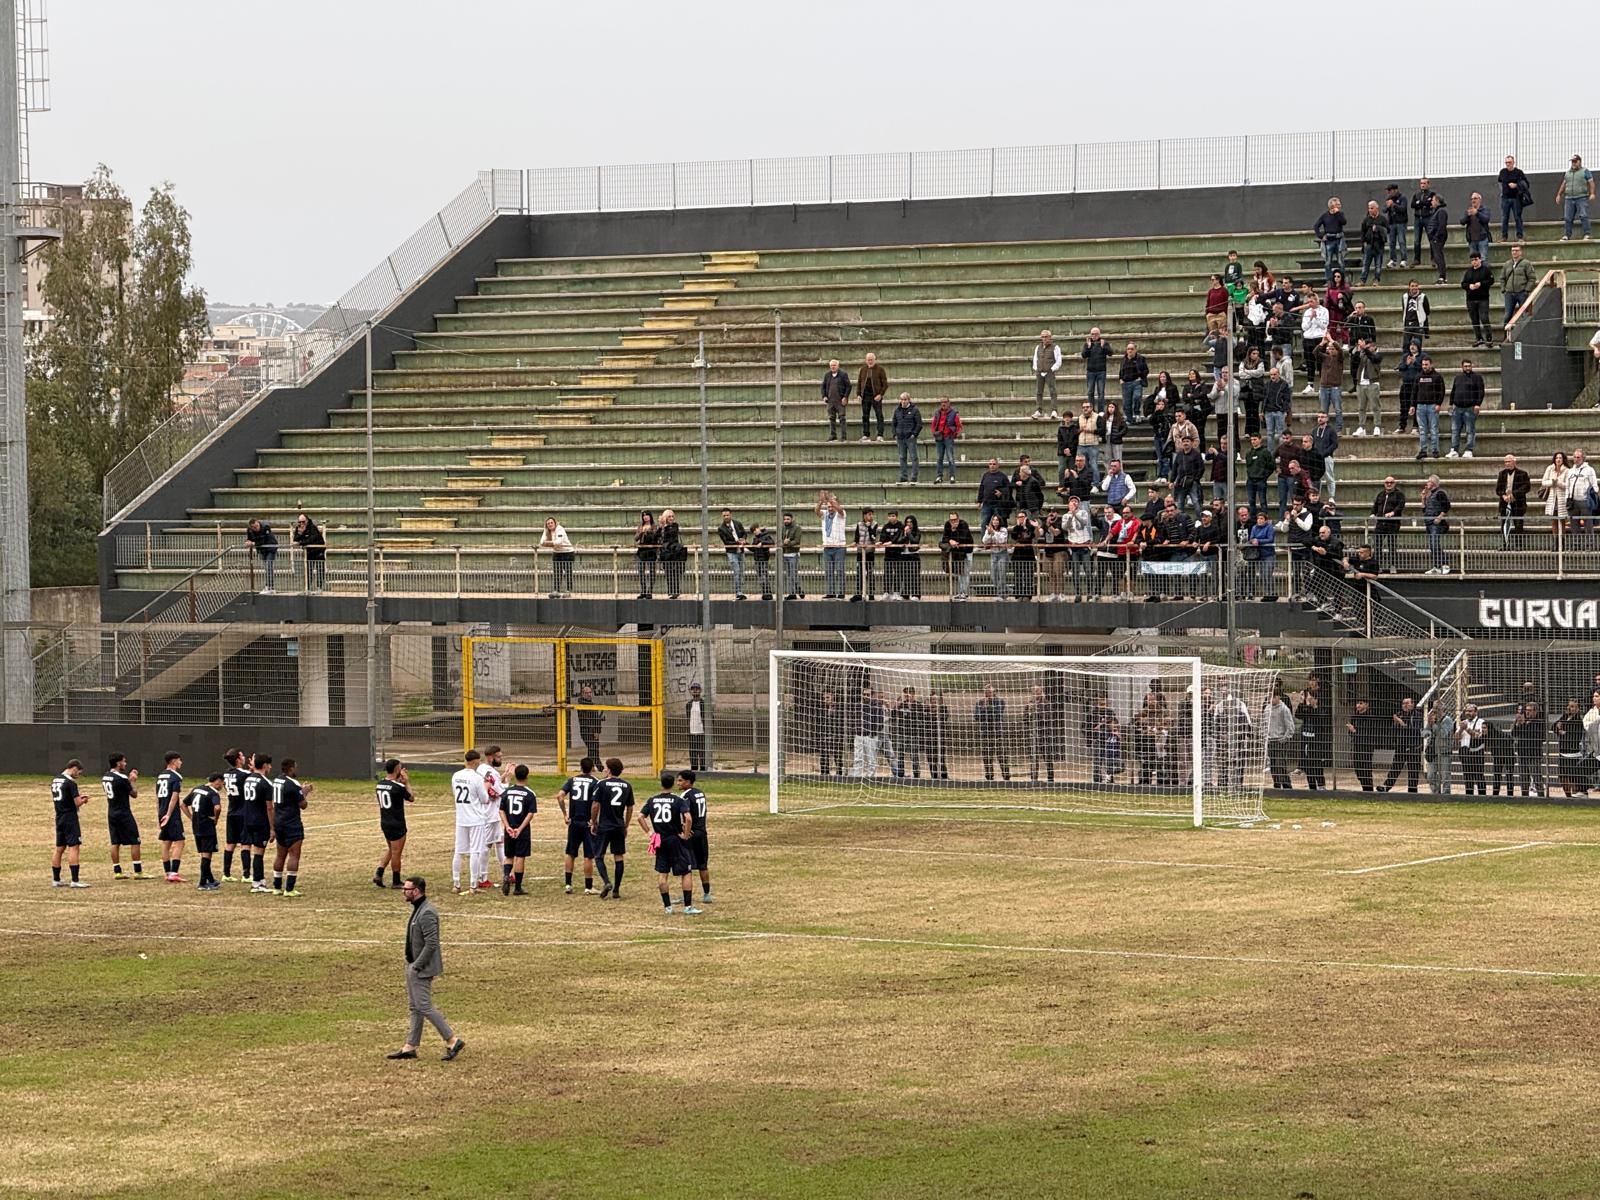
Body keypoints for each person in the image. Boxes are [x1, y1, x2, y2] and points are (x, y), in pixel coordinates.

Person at [388, 876, 466, 1062]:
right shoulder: (419, 909)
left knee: (424, 1006)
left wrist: (417, 965)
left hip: (420, 968)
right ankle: (410, 1046)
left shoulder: (427, 912)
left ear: (416, 891)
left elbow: (431, 944)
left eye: (406, 889)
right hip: (414, 965)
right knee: (415, 1007)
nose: (403, 892)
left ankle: (452, 1040)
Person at [639, 771, 698, 915]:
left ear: (661, 784)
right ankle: (688, 907)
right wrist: (685, 835)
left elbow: (640, 817)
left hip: (660, 840)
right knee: (686, 871)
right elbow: (688, 818)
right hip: (674, 840)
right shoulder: (678, 800)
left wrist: (649, 833)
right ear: (672, 784)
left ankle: (667, 907)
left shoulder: (652, 800)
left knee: (662, 873)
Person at [558, 758, 607, 895]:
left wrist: (565, 814)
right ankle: (588, 886)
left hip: (574, 821)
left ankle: (568, 884)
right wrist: (594, 820)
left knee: (571, 853)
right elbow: (596, 804)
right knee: (588, 856)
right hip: (587, 823)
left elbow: (560, 796)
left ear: (580, 767)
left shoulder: (572, 780)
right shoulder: (595, 782)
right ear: (592, 768)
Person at [588, 757, 633, 899]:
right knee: (618, 856)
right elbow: (630, 807)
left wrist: (593, 822)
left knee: (598, 855)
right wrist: (626, 824)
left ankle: (607, 881)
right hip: (619, 825)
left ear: (610, 770)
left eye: (606, 767)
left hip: (605, 825)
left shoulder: (601, 784)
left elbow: (595, 805)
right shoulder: (627, 785)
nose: (604, 770)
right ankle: (616, 890)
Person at [449, 749, 489, 897]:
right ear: (475, 761)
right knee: (475, 851)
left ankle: (456, 883)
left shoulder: (455, 776)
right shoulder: (477, 778)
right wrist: (486, 788)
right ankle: (473, 884)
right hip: (475, 818)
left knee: (459, 851)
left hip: (461, 817)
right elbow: (484, 799)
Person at [268, 758, 310, 897]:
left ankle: (277, 887)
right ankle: (290, 888)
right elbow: (303, 805)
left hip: (278, 821)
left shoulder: (277, 780)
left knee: (280, 855)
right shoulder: (293, 784)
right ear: (291, 768)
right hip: (291, 822)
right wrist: (305, 791)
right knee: (294, 854)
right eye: (295, 767)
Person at [370, 758, 413, 890]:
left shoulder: (380, 784)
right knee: (396, 853)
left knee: (391, 849)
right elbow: (411, 797)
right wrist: (407, 782)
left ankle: (379, 872)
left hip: (385, 821)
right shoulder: (398, 787)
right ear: (396, 769)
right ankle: (396, 880)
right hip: (397, 822)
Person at [101, 753, 145, 880]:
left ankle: (117, 871)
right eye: (124, 762)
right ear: (118, 763)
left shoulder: (106, 776)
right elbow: (134, 794)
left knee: (115, 842)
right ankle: (138, 871)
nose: (125, 764)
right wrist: (132, 781)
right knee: (135, 841)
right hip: (124, 813)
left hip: (111, 812)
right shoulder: (121, 778)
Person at [49, 759, 90, 888]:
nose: (78, 775)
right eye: (78, 772)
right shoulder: (71, 783)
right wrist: (84, 800)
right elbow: (77, 803)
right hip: (70, 817)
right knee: (74, 846)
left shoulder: (56, 780)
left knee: (59, 848)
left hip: (59, 816)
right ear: (73, 768)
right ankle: (75, 880)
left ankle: (56, 879)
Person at [498, 763, 536, 896]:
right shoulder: (529, 794)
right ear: (526, 776)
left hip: (509, 828)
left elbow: (501, 810)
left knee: (509, 856)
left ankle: (506, 876)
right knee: (520, 857)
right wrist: (519, 829)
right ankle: (518, 887)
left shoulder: (507, 792)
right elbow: (530, 814)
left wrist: (507, 826)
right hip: (522, 830)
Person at [184, 772, 225, 891]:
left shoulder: (197, 789)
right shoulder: (213, 793)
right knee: (207, 855)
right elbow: (217, 808)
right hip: (207, 826)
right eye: (222, 783)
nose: (223, 786)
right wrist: (215, 819)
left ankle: (211, 879)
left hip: (196, 825)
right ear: (217, 781)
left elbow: (183, 804)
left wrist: (191, 817)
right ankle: (202, 883)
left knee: (204, 852)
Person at [677, 769, 712, 904]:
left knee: (687, 866)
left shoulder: (685, 796)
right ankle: (707, 893)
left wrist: (684, 830)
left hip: (691, 833)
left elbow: (686, 816)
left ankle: (685, 895)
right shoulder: (700, 793)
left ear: (688, 782)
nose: (678, 783)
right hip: (702, 832)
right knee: (703, 864)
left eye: (680, 780)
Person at [242, 753, 274, 893]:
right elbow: (269, 807)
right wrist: (273, 827)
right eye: (269, 764)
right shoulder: (266, 783)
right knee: (259, 852)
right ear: (265, 765)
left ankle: (259, 880)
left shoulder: (248, 779)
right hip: (260, 820)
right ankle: (257, 883)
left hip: (248, 819)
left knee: (255, 850)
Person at [154, 751, 186, 883]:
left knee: (166, 842)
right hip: (171, 814)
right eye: (179, 760)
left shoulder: (160, 776)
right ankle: (174, 872)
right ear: (173, 761)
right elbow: (174, 797)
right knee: (180, 841)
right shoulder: (176, 777)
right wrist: (168, 814)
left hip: (162, 811)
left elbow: (157, 798)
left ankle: (167, 872)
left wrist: (160, 815)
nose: (181, 763)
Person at [1381, 697, 1424, 792]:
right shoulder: (1399, 715)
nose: (1404, 705)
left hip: (1414, 747)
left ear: (1413, 704)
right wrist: (1396, 724)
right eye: (1403, 703)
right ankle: (1386, 786)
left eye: (1407, 703)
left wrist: (1401, 723)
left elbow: (1416, 730)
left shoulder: (1417, 715)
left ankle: (1412, 791)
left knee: (1413, 770)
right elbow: (1392, 731)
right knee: (1395, 767)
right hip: (1401, 746)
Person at [221, 748, 250, 883]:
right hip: (243, 811)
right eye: (242, 755)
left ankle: (226, 873)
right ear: (238, 759)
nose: (244, 758)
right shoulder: (244, 774)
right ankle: (246, 875)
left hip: (231, 811)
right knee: (245, 843)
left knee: (230, 843)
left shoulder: (226, 774)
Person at [1446, 360, 1483, 459]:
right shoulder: (1458, 378)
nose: (1467, 368)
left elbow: (1481, 391)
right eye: (1465, 366)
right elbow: (1454, 391)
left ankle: (1469, 450)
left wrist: (1478, 404)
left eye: (1469, 366)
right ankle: (1454, 450)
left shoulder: (1477, 378)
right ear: (1462, 367)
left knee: (1470, 430)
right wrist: (1451, 403)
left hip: (1470, 408)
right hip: (1457, 408)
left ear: (1472, 366)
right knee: (1455, 430)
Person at [1295, 686, 1331, 790]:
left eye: (1310, 698)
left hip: (1316, 741)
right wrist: (1301, 703)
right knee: (1307, 765)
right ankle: (1311, 786)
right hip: (1306, 738)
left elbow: (1322, 719)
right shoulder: (1306, 708)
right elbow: (1298, 715)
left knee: (1317, 764)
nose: (1308, 700)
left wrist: (1315, 706)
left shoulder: (1320, 709)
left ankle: (1321, 785)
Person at [1346, 698, 1385, 791]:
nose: (1358, 705)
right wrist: (1351, 731)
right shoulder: (1355, 717)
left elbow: (1369, 733)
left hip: (1367, 746)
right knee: (1357, 767)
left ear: (1366, 705)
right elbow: (1351, 733)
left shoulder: (1371, 717)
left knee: (1365, 767)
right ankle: (1364, 785)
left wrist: (1355, 731)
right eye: (1357, 703)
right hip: (1356, 745)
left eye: (1361, 703)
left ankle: (1368, 789)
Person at [974, 684, 1010, 782]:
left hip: (997, 732)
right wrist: (983, 708)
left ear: (994, 692)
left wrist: (986, 708)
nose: (989, 694)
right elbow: (977, 716)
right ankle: (989, 776)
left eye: (991, 692)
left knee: (1002, 755)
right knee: (987, 756)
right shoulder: (979, 702)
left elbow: (998, 713)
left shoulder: (1000, 701)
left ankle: (1006, 776)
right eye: (987, 692)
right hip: (985, 732)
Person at [1553, 700, 1588, 798]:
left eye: (1572, 707)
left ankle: (1576, 794)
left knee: (1572, 775)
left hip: (1573, 753)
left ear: (1577, 709)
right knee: (1562, 776)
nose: (1569, 708)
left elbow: (1573, 736)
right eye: (1568, 706)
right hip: (1563, 752)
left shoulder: (1578, 721)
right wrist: (1559, 729)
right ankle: (1568, 796)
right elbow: (1554, 726)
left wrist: (1562, 732)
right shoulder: (1564, 717)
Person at [817, 491, 848, 599]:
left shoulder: (841, 514)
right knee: (829, 571)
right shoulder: (825, 514)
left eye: (832, 506)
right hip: (827, 547)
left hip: (839, 547)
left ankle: (841, 592)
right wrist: (821, 502)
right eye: (828, 506)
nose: (830, 508)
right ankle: (830, 592)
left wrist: (830, 499)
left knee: (840, 570)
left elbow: (838, 509)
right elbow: (816, 511)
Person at [1511, 701, 1546, 797]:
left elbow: (1537, 736)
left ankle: (1541, 795)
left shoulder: (1539, 722)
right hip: (1522, 752)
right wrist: (1518, 724)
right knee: (1523, 777)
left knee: (1536, 776)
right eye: (1526, 710)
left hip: (1533, 753)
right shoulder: (1522, 721)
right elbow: (1513, 734)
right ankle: (1524, 795)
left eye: (1530, 710)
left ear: (1535, 712)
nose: (1527, 712)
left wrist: (1523, 725)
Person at [890, 686, 926, 779]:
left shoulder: (919, 705)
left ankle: (916, 775)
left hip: (913, 735)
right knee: (900, 755)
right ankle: (901, 774)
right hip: (902, 734)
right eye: (905, 693)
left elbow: (921, 720)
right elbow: (892, 718)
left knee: (914, 756)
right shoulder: (901, 705)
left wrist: (911, 709)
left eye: (909, 693)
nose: (907, 695)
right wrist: (895, 707)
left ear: (913, 694)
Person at [1413, 356, 1445, 460]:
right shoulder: (1418, 376)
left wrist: (1439, 404)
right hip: (1420, 406)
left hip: (1432, 406)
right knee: (1422, 430)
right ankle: (1423, 450)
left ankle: (1435, 450)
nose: (1424, 366)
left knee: (1433, 429)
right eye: (1423, 365)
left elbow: (1442, 391)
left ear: (1431, 364)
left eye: (1426, 364)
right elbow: (1414, 392)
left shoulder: (1437, 376)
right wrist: (1412, 405)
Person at [1557, 154, 1594, 241]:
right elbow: (1564, 184)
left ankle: (1587, 234)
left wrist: (1592, 193)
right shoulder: (1568, 173)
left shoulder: (1585, 171)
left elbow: (1591, 183)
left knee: (1584, 215)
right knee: (1567, 217)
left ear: (1579, 162)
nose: (1573, 163)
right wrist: (1559, 194)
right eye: (1572, 162)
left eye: (1575, 161)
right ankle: (1567, 235)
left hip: (1581, 197)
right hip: (1569, 198)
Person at [1496, 454, 1531, 547]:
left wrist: (1514, 494)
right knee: (1504, 524)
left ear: (1514, 462)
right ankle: (1504, 544)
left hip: (1518, 503)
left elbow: (1526, 487)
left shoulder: (1523, 474)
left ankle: (1518, 545)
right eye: (1505, 462)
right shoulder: (1502, 474)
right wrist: (1503, 495)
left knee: (1518, 524)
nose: (1507, 464)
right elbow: (1498, 489)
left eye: (1509, 461)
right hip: (1504, 503)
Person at [1421, 474, 1452, 575]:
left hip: (1435, 523)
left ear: (1433, 483)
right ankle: (1437, 566)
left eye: (1428, 482)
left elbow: (1447, 505)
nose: (1427, 484)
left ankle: (1444, 564)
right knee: (1432, 546)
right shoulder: (1430, 495)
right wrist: (1423, 498)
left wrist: (1440, 517)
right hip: (1429, 522)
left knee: (1435, 545)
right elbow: (1424, 509)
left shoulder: (1440, 493)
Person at [852, 686, 887, 777]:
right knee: (858, 758)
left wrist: (874, 732)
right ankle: (857, 777)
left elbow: (880, 721)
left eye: (868, 694)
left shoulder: (877, 706)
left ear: (872, 695)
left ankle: (870, 777)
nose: (866, 696)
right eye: (864, 694)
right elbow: (853, 719)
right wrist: (856, 730)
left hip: (870, 736)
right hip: (859, 735)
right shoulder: (858, 705)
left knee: (871, 759)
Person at [1460, 254, 1494, 347]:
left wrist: (1481, 284)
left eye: (1476, 259)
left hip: (1483, 299)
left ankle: (1489, 338)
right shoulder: (1468, 271)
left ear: (1480, 259)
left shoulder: (1486, 270)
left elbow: (1491, 281)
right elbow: (1463, 284)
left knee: (1484, 318)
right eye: (1472, 260)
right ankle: (1478, 338)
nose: (1474, 262)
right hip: (1471, 299)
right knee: (1474, 320)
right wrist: (1469, 286)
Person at [1351, 338, 1382, 437]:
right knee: (1361, 407)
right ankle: (1361, 427)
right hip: (1361, 384)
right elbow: (1354, 361)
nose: (1367, 349)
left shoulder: (1378, 355)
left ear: (1374, 346)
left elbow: (1374, 359)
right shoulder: (1362, 354)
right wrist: (1359, 350)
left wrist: (1365, 349)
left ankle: (1377, 426)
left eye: (1369, 347)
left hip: (1372, 383)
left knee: (1375, 406)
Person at [1501, 243, 1536, 329]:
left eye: (1516, 250)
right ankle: (1506, 336)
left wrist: (1526, 290)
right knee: (1507, 315)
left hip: (1521, 293)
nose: (1514, 252)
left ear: (1520, 252)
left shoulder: (1526, 263)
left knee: (1524, 315)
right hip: (1509, 293)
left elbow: (1532, 278)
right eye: (1513, 251)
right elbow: (1502, 278)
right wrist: (1503, 289)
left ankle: (1523, 334)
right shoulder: (1507, 264)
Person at [1265, 690, 1295, 789]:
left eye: (1273, 697)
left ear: (1278, 697)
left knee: (1281, 764)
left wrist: (1284, 738)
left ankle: (1287, 786)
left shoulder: (1284, 709)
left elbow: (1290, 727)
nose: (1271, 699)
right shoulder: (1267, 709)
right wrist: (1265, 737)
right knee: (1273, 765)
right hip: (1270, 740)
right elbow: (1264, 725)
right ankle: (1276, 785)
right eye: (1270, 697)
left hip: (1280, 740)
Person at [939, 510, 973, 600]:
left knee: (965, 572)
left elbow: (962, 538)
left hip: (966, 551)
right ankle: (961, 592)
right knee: (959, 572)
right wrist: (950, 540)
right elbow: (944, 538)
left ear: (958, 518)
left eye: (955, 519)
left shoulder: (964, 524)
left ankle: (964, 593)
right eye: (951, 520)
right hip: (956, 552)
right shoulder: (947, 525)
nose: (953, 522)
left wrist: (954, 532)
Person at [1425, 701, 1456, 796]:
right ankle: (1435, 793)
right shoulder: (1432, 721)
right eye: (1434, 708)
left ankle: (1446, 794)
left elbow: (1442, 733)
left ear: (1442, 709)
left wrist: (1434, 724)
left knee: (1445, 775)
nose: (1435, 710)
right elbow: (1425, 734)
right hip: (1432, 752)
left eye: (1437, 708)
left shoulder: (1448, 720)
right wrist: (1429, 723)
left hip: (1444, 751)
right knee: (1431, 775)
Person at [538, 518, 575, 597]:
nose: (550, 524)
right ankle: (556, 590)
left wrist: (547, 543)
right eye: (548, 523)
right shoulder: (546, 530)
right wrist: (548, 543)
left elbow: (559, 542)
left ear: (555, 523)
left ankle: (568, 591)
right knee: (557, 573)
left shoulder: (560, 529)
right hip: (556, 553)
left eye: (551, 522)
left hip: (567, 552)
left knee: (568, 572)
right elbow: (541, 542)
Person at [1541, 452, 1572, 544]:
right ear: (1554, 459)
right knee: (1554, 521)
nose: (1558, 460)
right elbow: (1543, 482)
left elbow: (1568, 485)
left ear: (1563, 460)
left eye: (1560, 458)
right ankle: (1555, 543)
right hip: (1552, 499)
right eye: (1557, 458)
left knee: (1562, 521)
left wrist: (1558, 483)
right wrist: (1552, 482)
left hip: (1562, 499)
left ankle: (1562, 543)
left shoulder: (1567, 470)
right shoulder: (1550, 469)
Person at [891, 392, 922, 484]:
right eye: (902, 399)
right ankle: (903, 477)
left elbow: (919, 424)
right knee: (902, 457)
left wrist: (914, 434)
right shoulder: (897, 410)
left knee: (914, 457)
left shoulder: (915, 410)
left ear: (909, 400)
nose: (903, 401)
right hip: (900, 437)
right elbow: (893, 423)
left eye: (905, 399)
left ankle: (914, 477)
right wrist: (895, 434)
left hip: (910, 437)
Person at [1498, 155, 1531, 240]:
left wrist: (1516, 185)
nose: (1508, 164)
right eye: (1506, 163)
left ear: (1513, 163)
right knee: (1505, 218)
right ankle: (1504, 236)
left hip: (1516, 198)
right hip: (1505, 198)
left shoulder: (1519, 172)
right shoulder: (1503, 172)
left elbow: (1526, 184)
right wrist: (1502, 191)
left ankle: (1519, 236)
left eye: (1509, 162)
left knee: (1517, 217)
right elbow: (1499, 182)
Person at [656, 508, 687, 599]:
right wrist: (661, 526)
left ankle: (676, 591)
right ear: (665, 517)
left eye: (672, 516)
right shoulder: (662, 527)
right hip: (666, 553)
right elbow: (657, 536)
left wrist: (664, 526)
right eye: (669, 516)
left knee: (676, 572)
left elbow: (672, 534)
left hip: (674, 552)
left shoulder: (675, 525)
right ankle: (671, 591)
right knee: (668, 572)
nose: (671, 518)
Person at [849, 507, 878, 602]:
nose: (871, 516)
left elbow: (873, 537)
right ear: (864, 515)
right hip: (860, 552)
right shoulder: (859, 524)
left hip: (869, 552)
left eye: (871, 514)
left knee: (870, 573)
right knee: (860, 573)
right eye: (869, 514)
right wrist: (854, 542)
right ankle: (859, 592)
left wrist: (869, 527)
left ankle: (871, 593)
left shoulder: (874, 524)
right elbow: (857, 537)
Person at [716, 508, 746, 600]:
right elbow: (726, 542)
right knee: (736, 571)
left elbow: (744, 533)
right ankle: (738, 592)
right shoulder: (721, 528)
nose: (726, 517)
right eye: (724, 516)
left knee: (741, 571)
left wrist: (743, 539)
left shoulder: (738, 523)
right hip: (731, 552)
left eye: (727, 515)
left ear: (731, 515)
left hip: (740, 550)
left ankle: (741, 590)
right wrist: (737, 542)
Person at [1458, 705, 1488, 796]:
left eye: (1470, 711)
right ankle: (1469, 795)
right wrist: (1461, 730)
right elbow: (1456, 738)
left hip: (1477, 751)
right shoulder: (1463, 722)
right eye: (1467, 711)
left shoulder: (1481, 722)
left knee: (1479, 775)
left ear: (1476, 712)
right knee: (1467, 776)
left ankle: (1482, 796)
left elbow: (1478, 735)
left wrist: (1466, 729)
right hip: (1465, 751)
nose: (1468, 713)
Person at [857, 351, 887, 441]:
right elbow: (859, 383)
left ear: (875, 360)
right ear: (866, 360)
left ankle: (880, 435)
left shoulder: (880, 369)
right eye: (868, 360)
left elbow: (885, 384)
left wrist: (880, 394)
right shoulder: (863, 370)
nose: (870, 361)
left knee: (879, 415)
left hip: (876, 396)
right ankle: (866, 434)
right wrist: (858, 394)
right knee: (865, 416)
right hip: (865, 396)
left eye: (871, 359)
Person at [1008, 509, 1037, 600]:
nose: (1020, 518)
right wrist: (1018, 526)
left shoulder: (1030, 527)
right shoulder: (1016, 528)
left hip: (1028, 553)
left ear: (1026, 518)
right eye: (1019, 517)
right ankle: (1018, 594)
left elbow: (1031, 536)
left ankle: (1028, 595)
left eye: (1022, 517)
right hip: (1018, 554)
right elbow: (1014, 536)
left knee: (1028, 575)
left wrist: (1025, 526)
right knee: (1018, 575)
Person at [931, 396, 962, 484]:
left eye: (945, 402)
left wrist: (954, 434)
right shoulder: (937, 413)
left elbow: (958, 426)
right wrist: (934, 432)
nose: (943, 404)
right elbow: (933, 424)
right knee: (939, 458)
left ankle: (952, 476)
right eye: (942, 402)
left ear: (949, 403)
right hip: (939, 437)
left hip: (948, 437)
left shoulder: (954, 413)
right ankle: (939, 476)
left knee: (950, 458)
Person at [1031, 329, 1062, 418]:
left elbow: (1058, 361)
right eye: (1042, 337)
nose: (1044, 339)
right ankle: (1038, 410)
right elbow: (1035, 358)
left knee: (1053, 391)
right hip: (1039, 372)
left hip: (1049, 372)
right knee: (1038, 392)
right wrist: (1036, 369)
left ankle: (1054, 410)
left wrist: (1052, 369)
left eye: (1046, 337)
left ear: (1050, 337)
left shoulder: (1055, 347)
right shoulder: (1038, 347)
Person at [292, 512, 326, 591]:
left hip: (318, 551)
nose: (301, 524)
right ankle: (308, 588)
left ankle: (319, 588)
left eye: (303, 522)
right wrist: (301, 533)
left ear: (307, 520)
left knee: (320, 569)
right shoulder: (299, 527)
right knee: (308, 570)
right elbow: (295, 539)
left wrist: (300, 542)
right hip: (309, 552)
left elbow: (311, 539)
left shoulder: (312, 527)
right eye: (299, 522)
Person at [821, 357, 851, 441]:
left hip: (840, 400)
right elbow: (823, 386)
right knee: (831, 418)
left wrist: (845, 397)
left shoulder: (843, 374)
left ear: (838, 366)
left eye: (834, 365)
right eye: (831, 365)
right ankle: (833, 435)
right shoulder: (827, 375)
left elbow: (849, 386)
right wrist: (824, 396)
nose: (833, 367)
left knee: (842, 418)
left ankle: (843, 436)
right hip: (830, 401)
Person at [245, 518, 278, 594]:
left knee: (268, 566)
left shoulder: (266, 527)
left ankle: (269, 587)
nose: (255, 529)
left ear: (258, 523)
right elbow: (249, 539)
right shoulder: (249, 530)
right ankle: (270, 587)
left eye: (256, 526)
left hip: (271, 548)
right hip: (262, 550)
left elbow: (264, 540)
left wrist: (253, 543)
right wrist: (247, 542)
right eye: (253, 527)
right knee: (267, 568)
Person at [1358, 200, 1389, 284]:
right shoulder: (1366, 220)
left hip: (1379, 244)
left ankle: (1376, 280)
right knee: (1365, 264)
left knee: (1378, 264)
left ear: (1376, 208)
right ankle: (1362, 280)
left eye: (1372, 208)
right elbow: (1362, 232)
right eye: (1369, 208)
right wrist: (1363, 243)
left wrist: (1378, 228)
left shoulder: (1383, 219)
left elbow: (1388, 230)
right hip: (1369, 244)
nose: (1370, 210)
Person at [1460, 193, 1494, 267]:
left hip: (1482, 239)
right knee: (1474, 261)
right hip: (1472, 240)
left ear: (1479, 200)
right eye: (1472, 199)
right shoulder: (1468, 210)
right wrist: (1468, 216)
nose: (1473, 200)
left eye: (1475, 198)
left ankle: (1485, 277)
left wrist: (1477, 213)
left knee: (1483, 260)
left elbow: (1486, 219)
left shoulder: (1485, 209)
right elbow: (1462, 222)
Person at [1081, 329, 1112, 410]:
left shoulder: (1104, 342)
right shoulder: (1088, 343)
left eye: (1096, 334)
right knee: (1090, 392)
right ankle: (1091, 410)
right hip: (1090, 372)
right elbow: (1084, 355)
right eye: (1092, 334)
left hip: (1101, 371)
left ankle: (1101, 411)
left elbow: (1110, 353)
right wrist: (1088, 347)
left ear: (1099, 334)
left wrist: (1103, 346)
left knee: (1101, 393)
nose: (1094, 336)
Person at [1117, 342, 1148, 422]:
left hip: (1136, 382)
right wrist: (1120, 379)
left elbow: (1146, 370)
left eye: (1132, 349)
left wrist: (1141, 377)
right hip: (1125, 383)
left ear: (1135, 350)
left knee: (1137, 397)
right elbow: (1121, 370)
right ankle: (1129, 419)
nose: (1130, 351)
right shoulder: (1123, 359)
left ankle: (1137, 413)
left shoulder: (1141, 358)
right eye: (1128, 349)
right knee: (1126, 403)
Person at [981, 513, 1010, 600]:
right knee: (993, 576)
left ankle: (1001, 594)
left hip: (1002, 554)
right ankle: (1007, 590)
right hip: (994, 554)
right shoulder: (989, 530)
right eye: (993, 520)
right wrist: (989, 533)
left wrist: (994, 533)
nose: (995, 521)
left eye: (997, 520)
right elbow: (985, 541)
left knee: (1002, 574)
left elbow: (1002, 540)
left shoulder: (1004, 530)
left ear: (999, 521)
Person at [817, 690, 846, 776]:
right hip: (824, 734)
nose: (825, 700)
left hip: (836, 735)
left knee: (837, 756)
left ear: (833, 697)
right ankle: (824, 773)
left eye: (827, 698)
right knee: (824, 755)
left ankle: (839, 774)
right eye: (824, 698)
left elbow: (841, 721)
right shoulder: (821, 709)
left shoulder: (839, 708)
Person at [1383, 183, 1409, 267]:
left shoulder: (1403, 198)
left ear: (1395, 190)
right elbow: (1384, 210)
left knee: (1401, 241)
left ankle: (1404, 259)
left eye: (1390, 191)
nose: (1388, 193)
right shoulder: (1389, 199)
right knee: (1392, 243)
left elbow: (1403, 209)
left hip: (1401, 223)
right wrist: (1388, 206)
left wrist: (1394, 205)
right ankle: (1393, 260)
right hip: (1391, 223)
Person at [633, 510, 658, 599]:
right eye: (643, 515)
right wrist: (641, 532)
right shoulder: (640, 526)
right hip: (641, 551)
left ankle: (649, 591)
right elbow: (635, 538)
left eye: (647, 515)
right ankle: (643, 590)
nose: (645, 517)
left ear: (650, 516)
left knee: (651, 572)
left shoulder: (654, 526)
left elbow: (655, 537)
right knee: (641, 572)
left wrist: (649, 532)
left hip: (651, 551)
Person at [576, 683, 603, 763]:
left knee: (593, 750)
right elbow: (590, 719)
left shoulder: (591, 704)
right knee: (593, 750)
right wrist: (595, 731)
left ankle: (589, 767)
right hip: (587, 731)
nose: (589, 694)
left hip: (593, 730)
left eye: (590, 692)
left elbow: (596, 719)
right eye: (586, 693)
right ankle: (601, 768)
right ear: (582, 694)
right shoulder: (582, 704)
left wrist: (597, 731)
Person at [780, 512, 804, 600]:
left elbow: (797, 541)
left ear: (792, 519)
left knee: (793, 574)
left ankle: (793, 593)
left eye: (788, 519)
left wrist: (788, 543)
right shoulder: (782, 528)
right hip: (785, 554)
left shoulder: (797, 528)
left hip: (793, 554)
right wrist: (783, 543)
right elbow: (780, 540)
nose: (786, 521)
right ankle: (796, 590)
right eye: (785, 519)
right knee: (789, 575)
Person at [748, 522, 774, 599]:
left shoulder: (766, 535)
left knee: (764, 576)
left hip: (763, 559)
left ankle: (767, 593)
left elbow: (772, 542)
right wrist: (746, 544)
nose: (755, 532)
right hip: (757, 559)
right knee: (761, 577)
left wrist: (762, 543)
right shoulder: (755, 538)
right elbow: (753, 549)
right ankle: (765, 592)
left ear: (758, 528)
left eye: (755, 530)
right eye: (753, 532)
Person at [685, 682, 708, 770]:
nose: (695, 690)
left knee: (702, 754)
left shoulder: (704, 704)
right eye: (693, 689)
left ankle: (703, 770)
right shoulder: (688, 704)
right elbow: (688, 718)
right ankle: (693, 770)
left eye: (697, 689)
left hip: (702, 733)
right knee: (693, 754)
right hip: (692, 733)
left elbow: (710, 719)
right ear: (691, 691)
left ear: (700, 691)